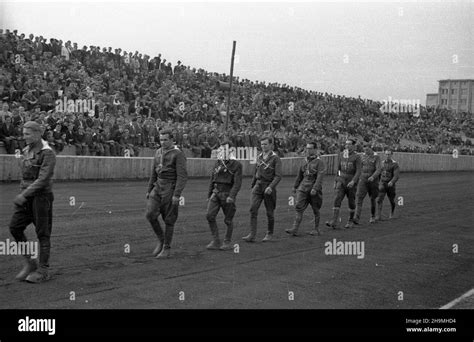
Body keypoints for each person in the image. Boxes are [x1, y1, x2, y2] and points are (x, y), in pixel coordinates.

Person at [9, 121, 56, 283]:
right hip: (27, 197)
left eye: (27, 134)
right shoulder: (26, 150)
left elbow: (43, 179)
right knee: (15, 227)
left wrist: (24, 194)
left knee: (43, 234)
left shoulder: (47, 153)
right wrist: (22, 193)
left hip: (41, 197)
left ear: (38, 134)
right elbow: (25, 177)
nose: (24, 136)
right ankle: (30, 263)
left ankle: (43, 270)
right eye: (24, 133)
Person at [145, 129, 187, 259]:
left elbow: (182, 176)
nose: (162, 142)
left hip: (170, 187)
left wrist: (177, 194)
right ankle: (161, 239)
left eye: (165, 140)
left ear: (172, 140)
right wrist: (149, 189)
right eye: (161, 139)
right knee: (150, 214)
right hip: (158, 186)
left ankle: (166, 248)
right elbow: (153, 172)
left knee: (169, 219)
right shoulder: (158, 152)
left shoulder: (178, 154)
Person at [243, 136, 282, 242]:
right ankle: (252, 234)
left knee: (269, 212)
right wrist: (253, 184)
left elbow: (278, 176)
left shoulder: (275, 158)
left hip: (269, 186)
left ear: (271, 145)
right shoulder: (259, 156)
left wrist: (271, 187)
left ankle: (269, 234)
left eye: (265, 144)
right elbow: (256, 172)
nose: (263, 146)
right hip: (258, 185)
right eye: (262, 144)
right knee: (253, 209)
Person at [206, 141, 243, 251]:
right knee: (209, 215)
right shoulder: (218, 163)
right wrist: (209, 194)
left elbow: (237, 183)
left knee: (228, 220)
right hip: (216, 192)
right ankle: (216, 240)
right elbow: (212, 180)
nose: (222, 152)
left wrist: (232, 196)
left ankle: (227, 241)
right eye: (221, 150)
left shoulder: (236, 165)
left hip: (227, 194)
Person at [286, 141, 325, 236]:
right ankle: (294, 228)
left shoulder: (319, 162)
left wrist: (315, 188)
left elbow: (320, 177)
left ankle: (316, 229)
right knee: (298, 207)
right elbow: (299, 175)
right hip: (303, 187)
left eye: (310, 148)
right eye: (307, 148)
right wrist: (295, 186)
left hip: (313, 188)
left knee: (315, 209)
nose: (308, 150)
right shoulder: (304, 161)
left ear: (315, 149)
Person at [326, 139, 361, 229]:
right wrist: (336, 180)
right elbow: (338, 169)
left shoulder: (357, 157)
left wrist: (353, 181)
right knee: (337, 199)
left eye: (349, 144)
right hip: (341, 181)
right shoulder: (342, 155)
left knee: (351, 202)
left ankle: (350, 221)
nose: (347, 146)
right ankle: (334, 220)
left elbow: (358, 171)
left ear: (353, 146)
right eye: (346, 144)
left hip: (351, 182)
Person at [354, 143, 381, 224]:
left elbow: (378, 169)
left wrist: (373, 176)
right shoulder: (362, 156)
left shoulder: (376, 157)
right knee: (359, 198)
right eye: (364, 150)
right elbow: (359, 168)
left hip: (373, 181)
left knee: (372, 199)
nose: (365, 151)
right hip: (363, 180)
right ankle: (356, 217)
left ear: (371, 148)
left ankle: (372, 216)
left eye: (367, 149)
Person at [376, 149, 400, 220]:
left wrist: (392, 182)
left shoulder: (395, 164)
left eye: (389, 154)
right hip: (383, 184)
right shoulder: (382, 163)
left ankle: (392, 213)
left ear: (391, 155)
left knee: (391, 200)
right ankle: (378, 216)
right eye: (386, 154)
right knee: (379, 199)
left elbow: (396, 176)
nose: (387, 156)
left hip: (391, 185)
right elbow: (378, 173)